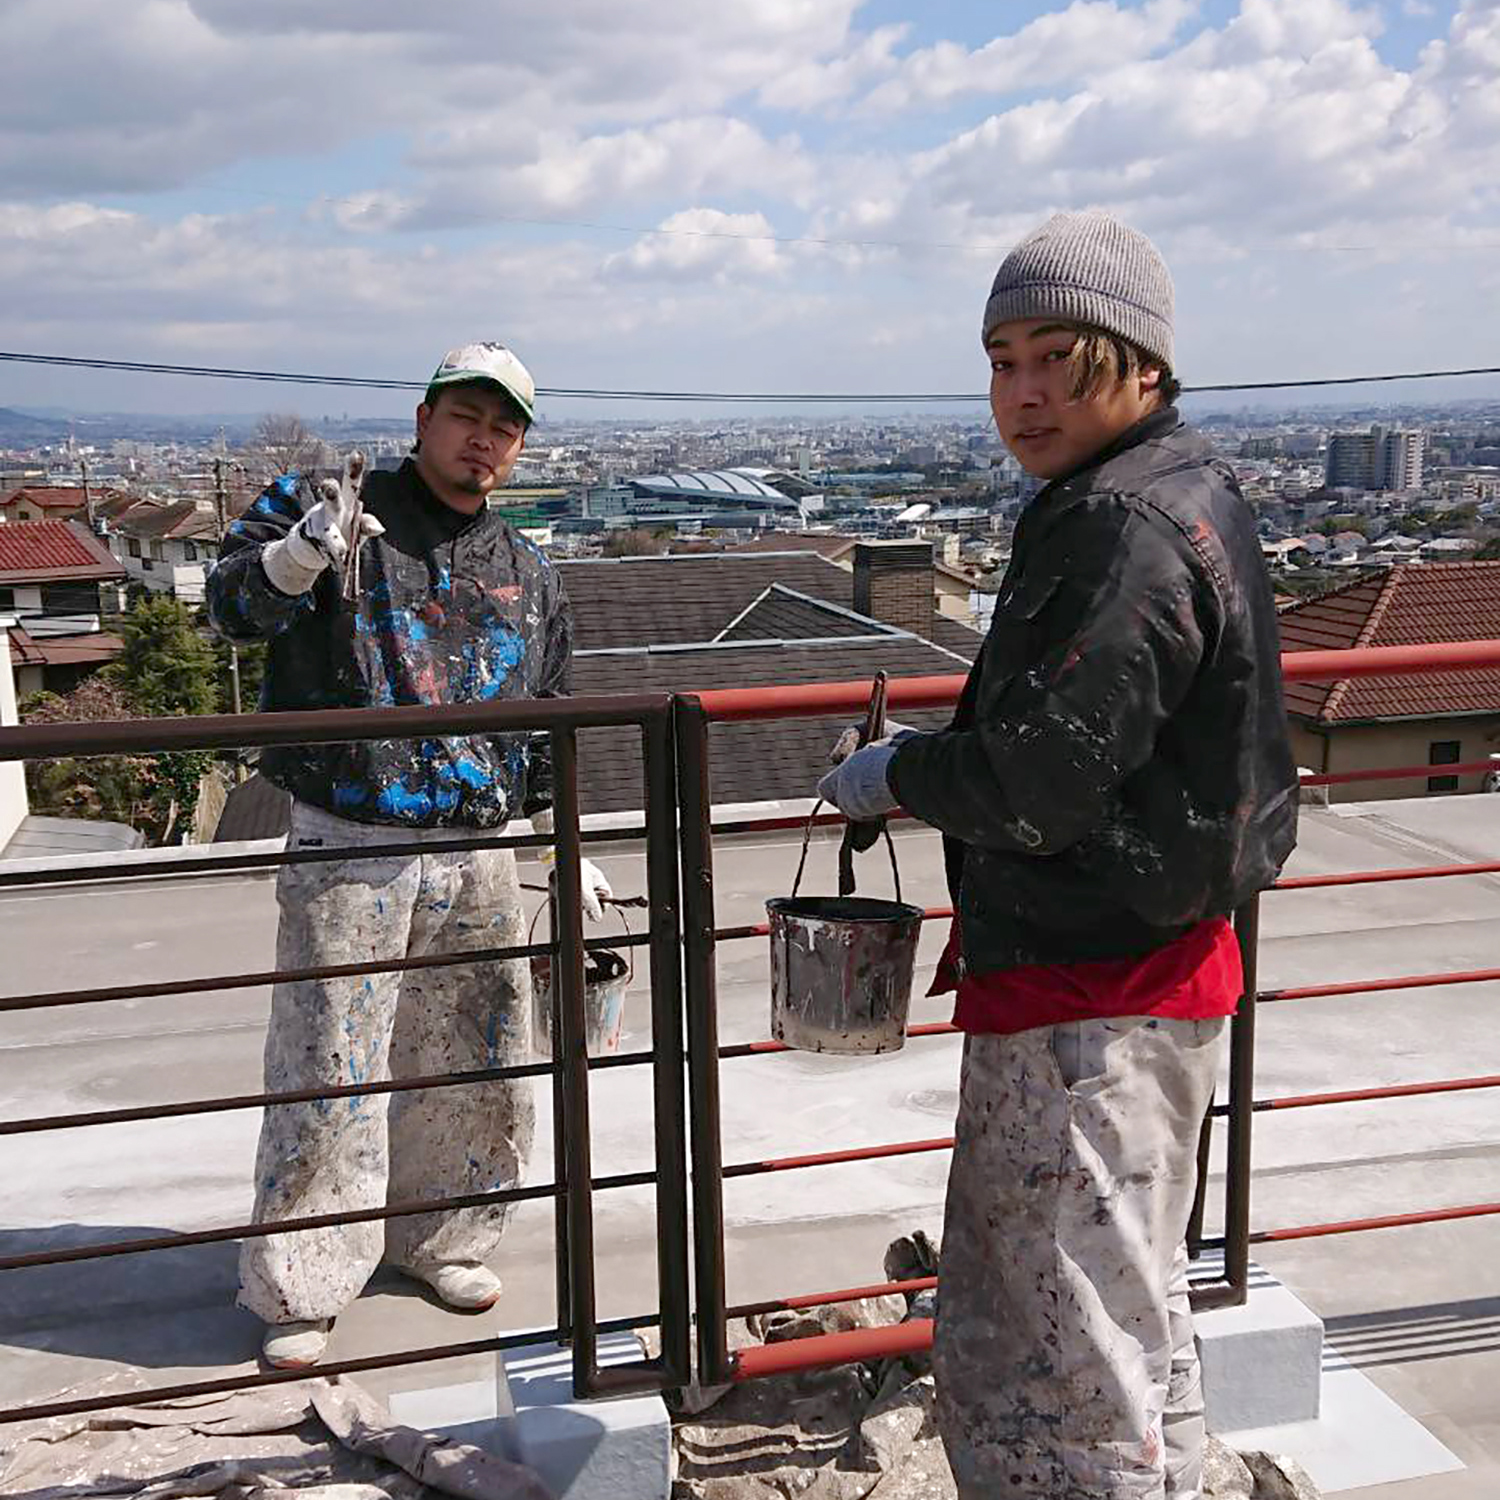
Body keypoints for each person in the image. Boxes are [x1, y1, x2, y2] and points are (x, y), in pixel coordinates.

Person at [816, 213, 1298, 1498]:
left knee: (1065, 1354)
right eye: (1000, 359)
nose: (1021, 393)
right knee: (1131, 1333)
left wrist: (901, 770)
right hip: (1144, 967)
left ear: (1138, 361)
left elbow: (1039, 785)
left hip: (1094, 999)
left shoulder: (1120, 527)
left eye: (1056, 357)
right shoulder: (1166, 490)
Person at [208, 343, 613, 1370]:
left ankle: (448, 1238)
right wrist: (300, 557)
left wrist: (567, 847)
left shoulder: (526, 571)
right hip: (352, 835)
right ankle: (305, 1276)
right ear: (425, 416)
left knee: (478, 1059)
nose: (484, 441)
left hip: (478, 845)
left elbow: (548, 721)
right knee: (327, 1065)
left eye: (506, 427)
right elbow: (228, 610)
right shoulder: (334, 509)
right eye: (468, 417)